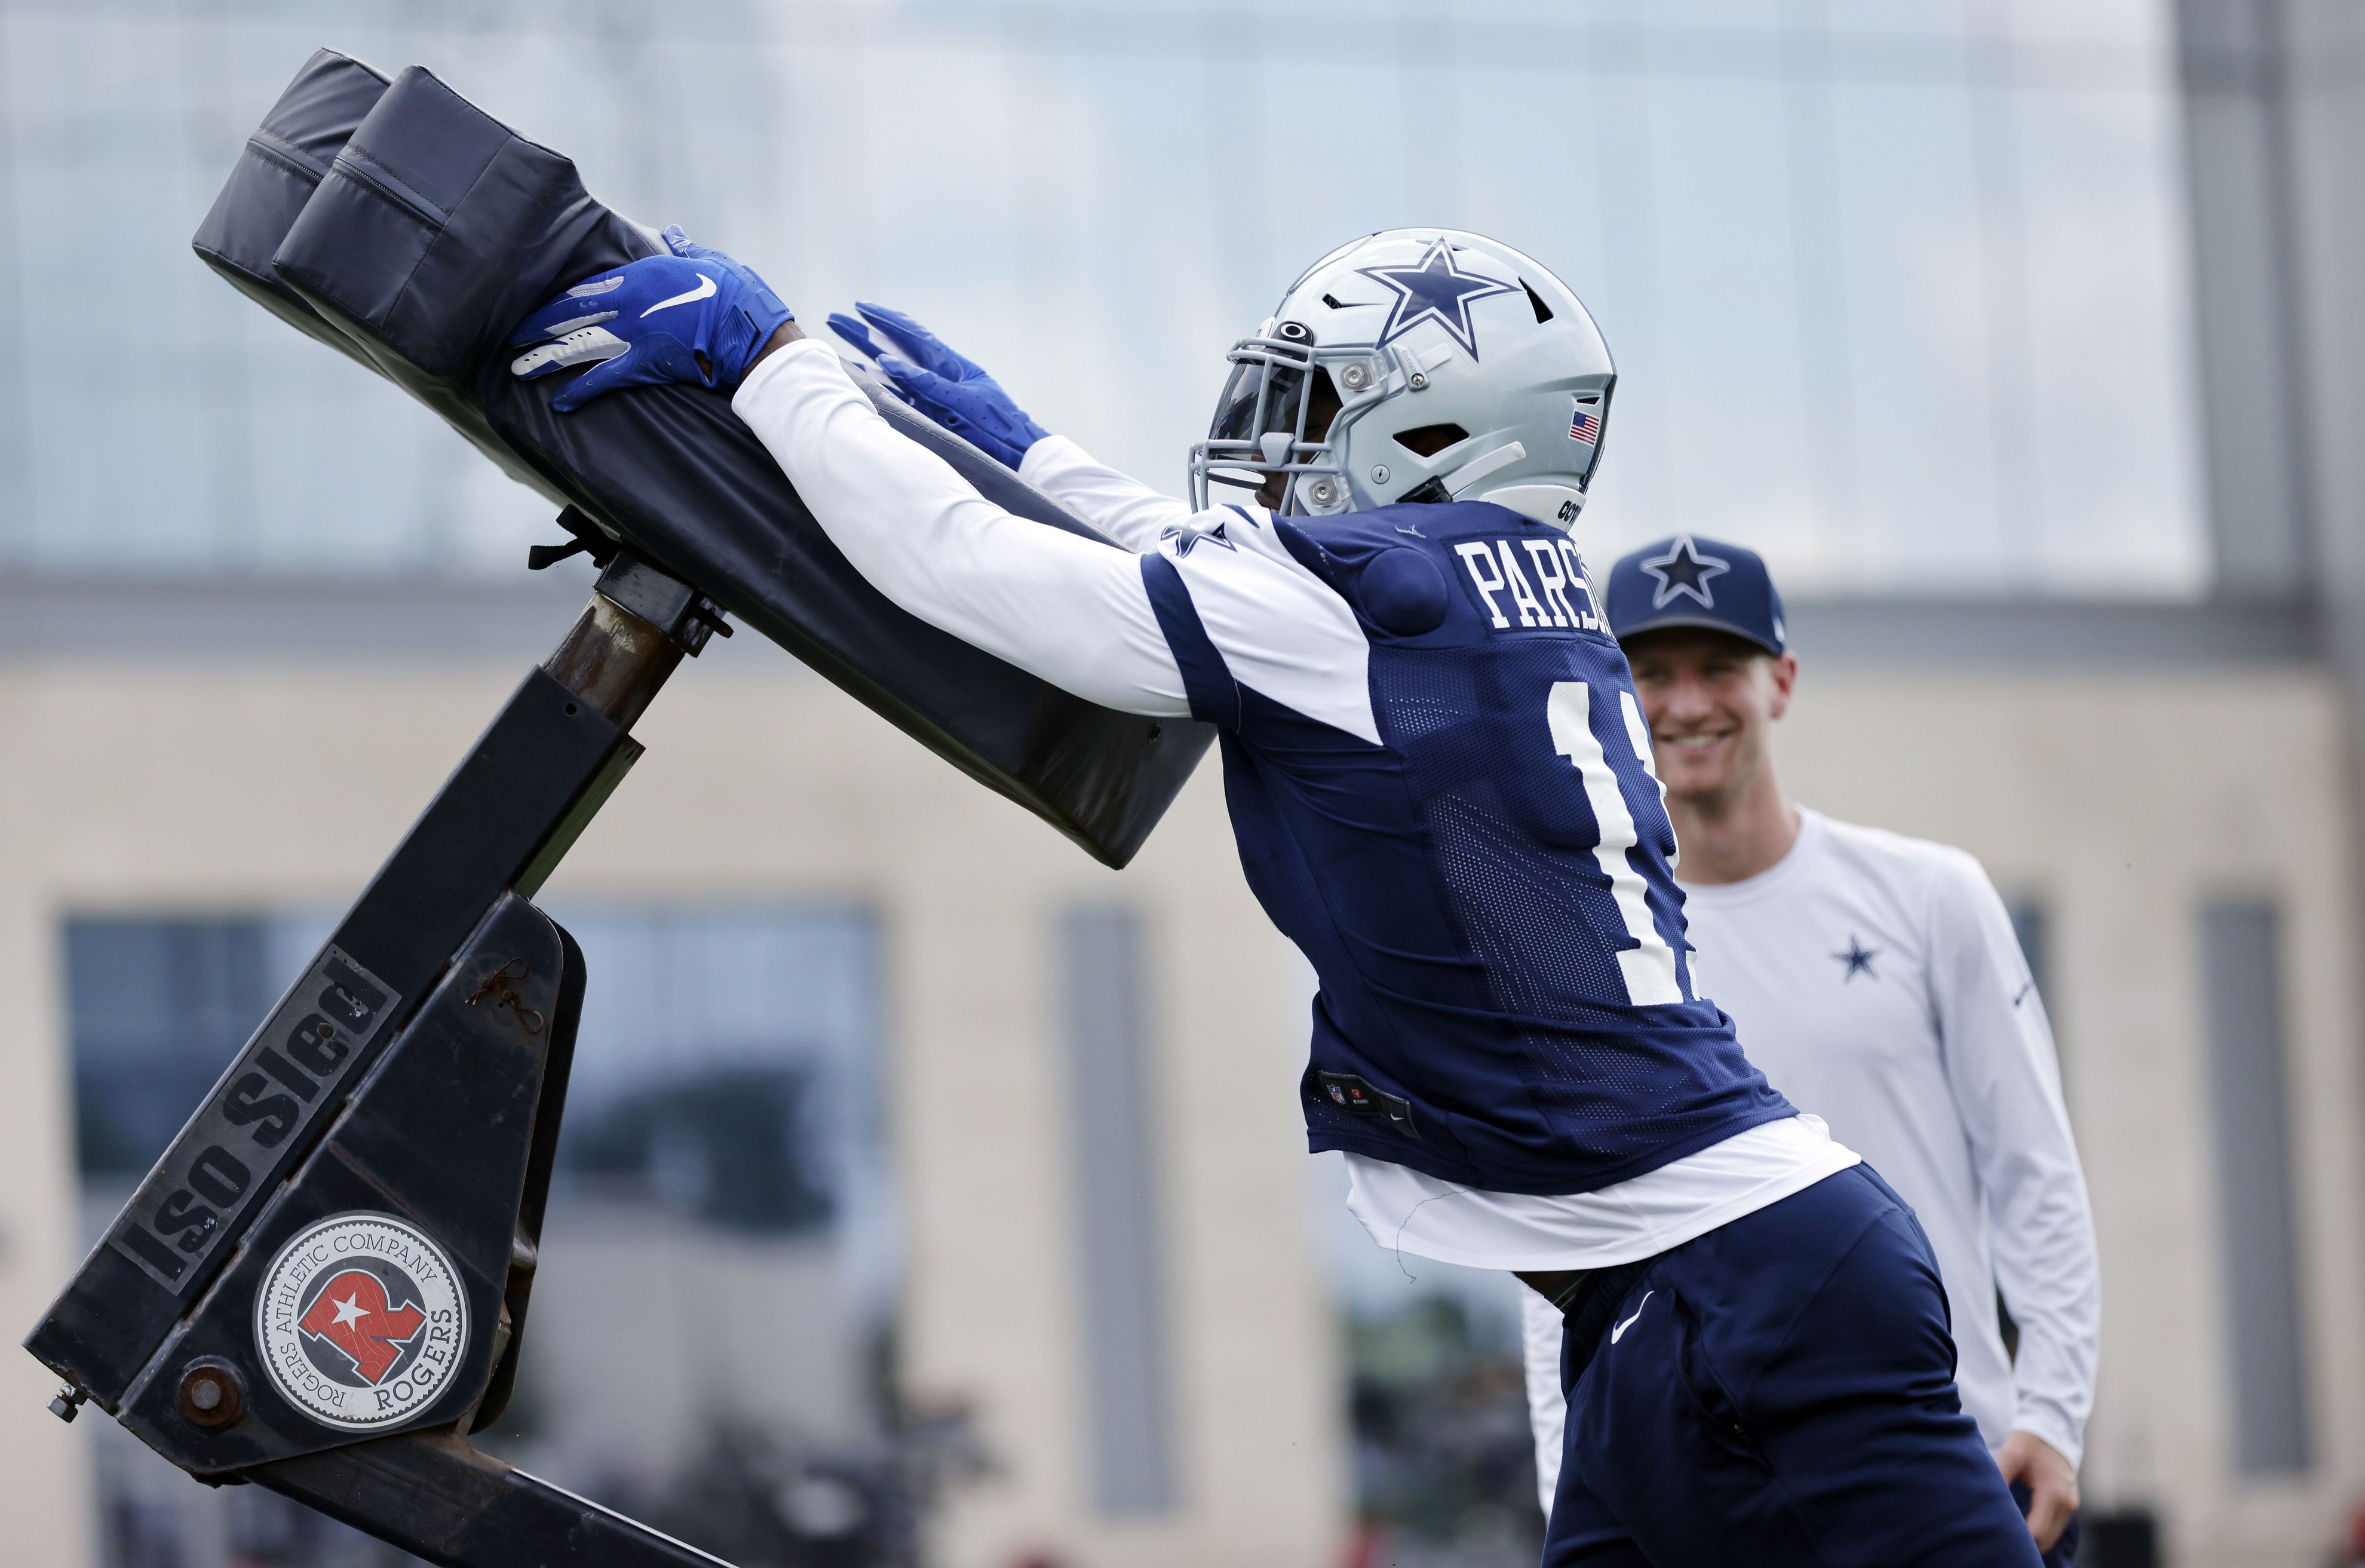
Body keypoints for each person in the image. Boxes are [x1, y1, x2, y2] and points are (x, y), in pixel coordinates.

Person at [505, 226, 2047, 1564]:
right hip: (1682, 1294)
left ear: (1440, 438)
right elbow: (1226, 571)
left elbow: (963, 567)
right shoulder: (1509, 601)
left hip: (1753, 1296)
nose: (1275, 449)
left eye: (1317, 410)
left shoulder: (1369, 613)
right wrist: (1044, 455)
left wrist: (771, 358)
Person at [1516, 534, 2099, 1564]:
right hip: (1706, 1492)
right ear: (1610, 690)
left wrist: (2052, 1413)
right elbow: (1572, 1245)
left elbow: (2036, 1174)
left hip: (1942, 1460)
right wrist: (1572, 1478)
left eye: (1717, 669)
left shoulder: (1931, 897)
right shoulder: (1594, 948)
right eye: (1651, 673)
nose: (1686, 702)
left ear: (1779, 681)